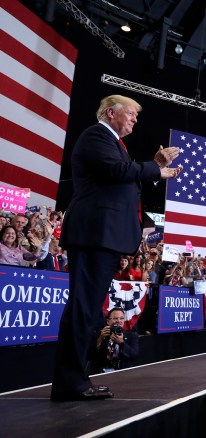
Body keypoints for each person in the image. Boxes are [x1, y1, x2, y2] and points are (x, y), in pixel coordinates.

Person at [50, 95, 182, 401]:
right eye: (131, 114)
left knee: (88, 310)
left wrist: (154, 169)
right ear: (111, 113)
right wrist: (153, 168)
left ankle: (76, 380)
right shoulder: (97, 135)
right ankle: (70, 384)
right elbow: (118, 172)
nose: (136, 119)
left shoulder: (115, 145)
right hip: (94, 234)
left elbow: (123, 181)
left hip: (102, 237)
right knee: (83, 309)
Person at [88, 307, 139, 374]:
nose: (119, 321)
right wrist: (100, 339)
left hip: (122, 373)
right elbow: (89, 356)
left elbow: (134, 356)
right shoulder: (99, 334)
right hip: (100, 373)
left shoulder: (131, 335)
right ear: (108, 321)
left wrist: (122, 343)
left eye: (121, 318)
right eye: (115, 318)